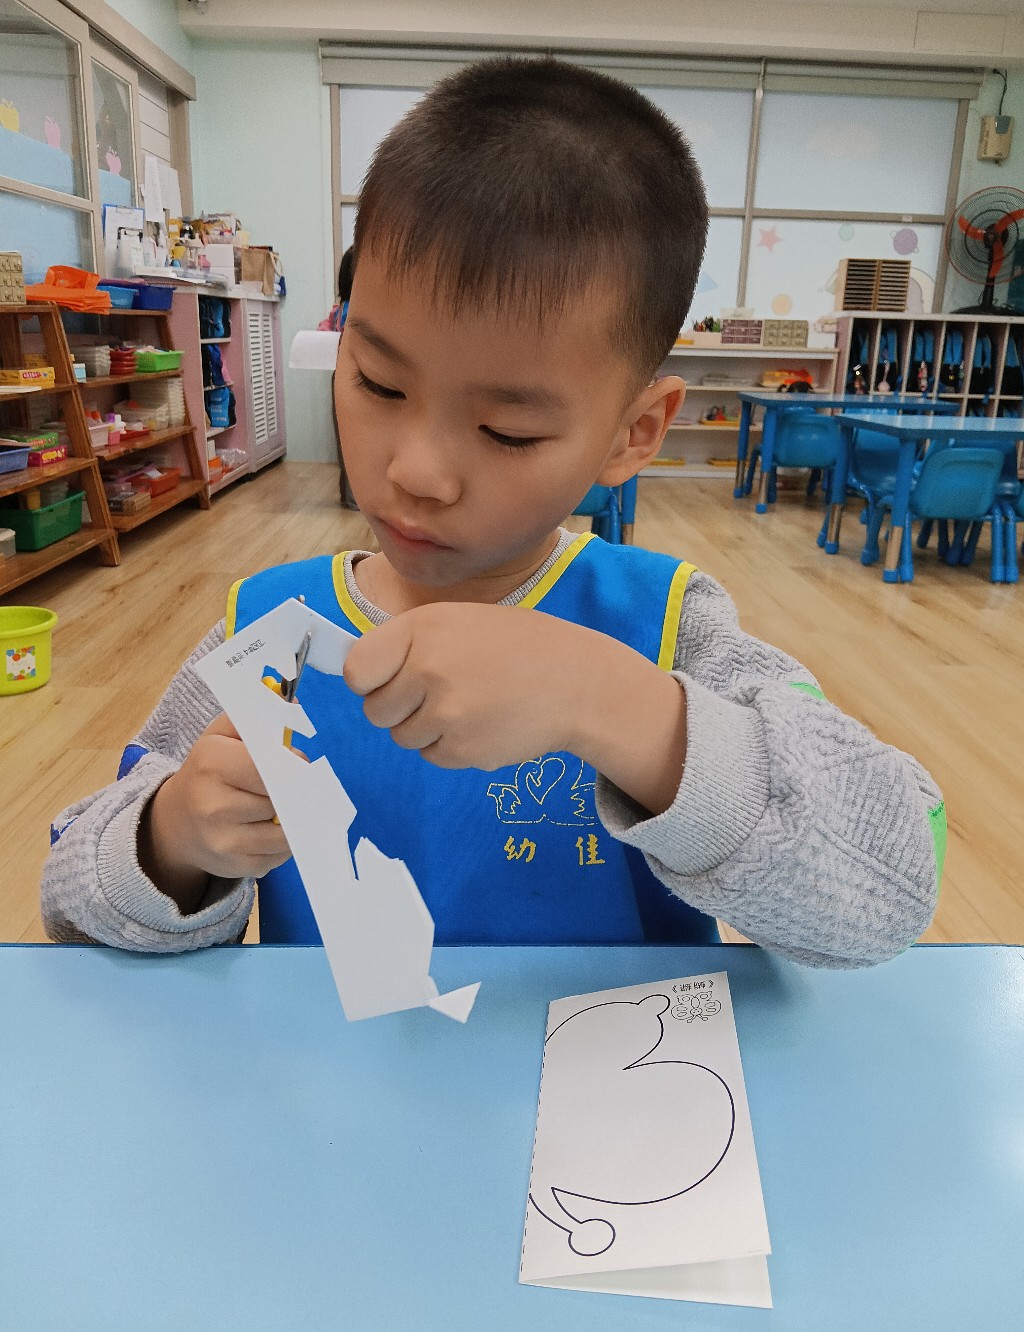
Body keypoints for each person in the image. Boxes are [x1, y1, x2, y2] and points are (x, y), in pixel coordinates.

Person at [42, 56, 944, 968]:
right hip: (336, 1063)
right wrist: (172, 839)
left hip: (616, 1057)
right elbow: (72, 907)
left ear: (634, 433)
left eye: (507, 431)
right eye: (378, 382)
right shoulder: (266, 631)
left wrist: (615, 706)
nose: (418, 471)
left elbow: (891, 889)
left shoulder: (669, 625)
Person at [319, 247, 357, 504]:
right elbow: (324, 328)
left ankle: (351, 497)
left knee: (349, 441)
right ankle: (352, 498)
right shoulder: (343, 310)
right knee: (351, 441)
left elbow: (325, 327)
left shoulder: (340, 310)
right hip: (351, 378)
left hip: (345, 378)